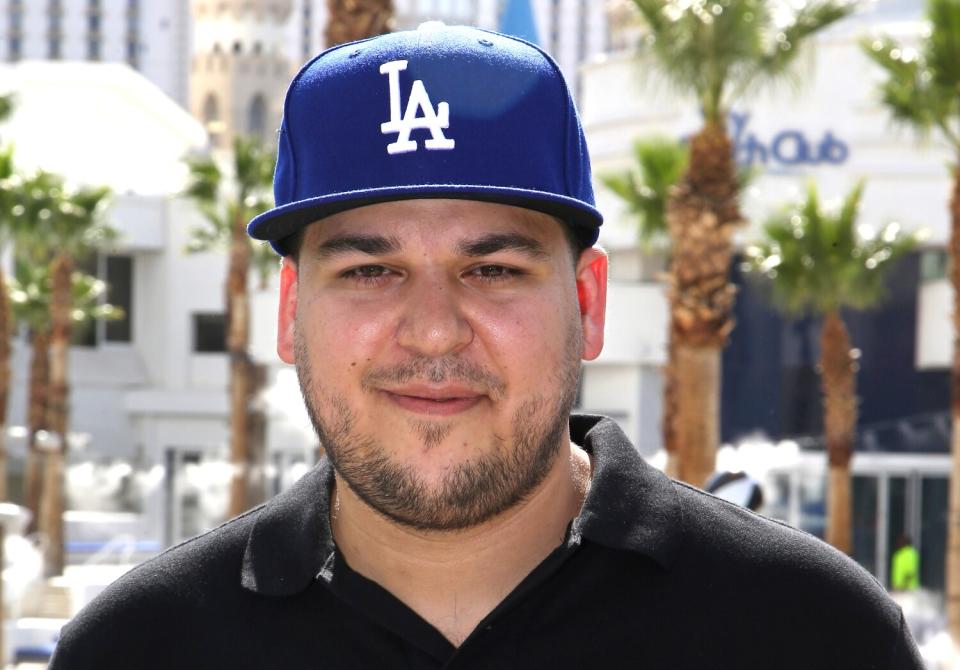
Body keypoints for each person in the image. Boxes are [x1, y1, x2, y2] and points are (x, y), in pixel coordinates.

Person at [50, 23, 922, 669]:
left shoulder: (814, 635)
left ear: (586, 301)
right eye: (370, 272)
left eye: (494, 270)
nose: (433, 329)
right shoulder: (140, 649)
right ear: (288, 313)